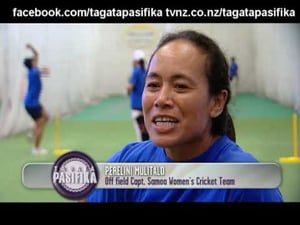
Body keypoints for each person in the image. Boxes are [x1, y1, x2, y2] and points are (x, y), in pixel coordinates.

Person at [88, 30, 283, 202]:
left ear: (217, 102)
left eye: (181, 86)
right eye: (153, 85)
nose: (161, 99)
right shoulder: (126, 164)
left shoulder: (248, 183)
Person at [23, 43, 50, 155]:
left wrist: (31, 48)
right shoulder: (34, 72)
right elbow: (44, 71)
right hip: (32, 104)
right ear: (32, 64)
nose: (36, 61)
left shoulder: (32, 70)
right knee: (41, 124)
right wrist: (44, 71)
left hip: (33, 102)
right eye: (34, 61)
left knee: (46, 117)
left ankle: (31, 133)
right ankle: (36, 148)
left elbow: (37, 54)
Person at [127, 49, 149, 141]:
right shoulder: (145, 71)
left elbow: (130, 87)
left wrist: (128, 90)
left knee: (141, 134)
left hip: (136, 106)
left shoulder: (136, 71)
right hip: (144, 104)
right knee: (145, 131)